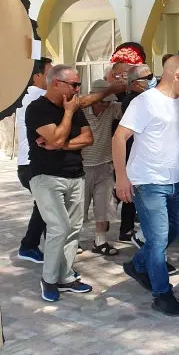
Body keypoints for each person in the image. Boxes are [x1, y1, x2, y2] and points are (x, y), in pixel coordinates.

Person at [114, 55, 179, 316]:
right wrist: (122, 177)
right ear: (175, 75)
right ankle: (162, 294)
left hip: (176, 180)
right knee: (157, 239)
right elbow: (120, 137)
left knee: (174, 232)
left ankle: (137, 265)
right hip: (147, 181)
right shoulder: (146, 102)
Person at [26, 65, 117, 302]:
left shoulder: (75, 107)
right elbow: (54, 137)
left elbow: (88, 138)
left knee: (73, 229)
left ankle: (65, 276)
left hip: (76, 176)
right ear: (55, 83)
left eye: (78, 84)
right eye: (74, 84)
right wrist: (67, 115)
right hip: (46, 176)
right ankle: (48, 279)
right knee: (59, 227)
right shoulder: (38, 109)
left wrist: (62, 144)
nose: (78, 89)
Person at [16, 58, 52, 264]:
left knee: (45, 204)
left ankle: (34, 244)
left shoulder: (28, 96)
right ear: (36, 76)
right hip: (33, 164)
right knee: (47, 205)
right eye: (50, 73)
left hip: (28, 163)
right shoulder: (37, 97)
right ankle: (30, 245)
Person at [81, 79, 123, 257]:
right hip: (81, 167)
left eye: (108, 102)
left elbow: (131, 106)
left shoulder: (112, 108)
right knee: (77, 208)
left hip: (105, 165)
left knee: (104, 206)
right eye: (102, 101)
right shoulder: (80, 111)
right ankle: (72, 241)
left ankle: (100, 240)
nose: (105, 106)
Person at [119, 63, 156, 245]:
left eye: (152, 77)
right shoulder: (132, 101)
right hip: (132, 154)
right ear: (134, 83)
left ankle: (130, 227)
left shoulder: (145, 99)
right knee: (130, 194)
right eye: (148, 78)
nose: (152, 81)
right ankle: (126, 229)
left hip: (140, 155)